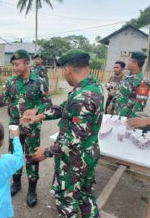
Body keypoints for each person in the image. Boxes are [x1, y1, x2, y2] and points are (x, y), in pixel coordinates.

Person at [21, 49, 104, 217]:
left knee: (67, 200)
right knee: (86, 195)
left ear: (67, 69)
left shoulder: (82, 97)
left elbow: (74, 137)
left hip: (75, 160)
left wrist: (46, 151)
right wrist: (40, 115)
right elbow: (66, 108)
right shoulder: (93, 86)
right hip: (88, 154)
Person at [0, 49, 52, 207]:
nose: (14, 68)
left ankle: (32, 189)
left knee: (31, 156)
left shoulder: (40, 81)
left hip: (32, 127)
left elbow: (48, 103)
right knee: (14, 155)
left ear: (27, 63)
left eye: (17, 64)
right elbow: (2, 99)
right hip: (15, 126)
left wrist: (37, 110)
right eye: (13, 65)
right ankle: (16, 183)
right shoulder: (11, 82)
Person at [108, 52, 149, 117]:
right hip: (117, 112)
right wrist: (111, 104)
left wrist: (132, 119)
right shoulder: (127, 77)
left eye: (129, 60)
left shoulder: (143, 81)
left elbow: (140, 104)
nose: (127, 62)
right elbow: (119, 92)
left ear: (135, 63)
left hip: (126, 116)